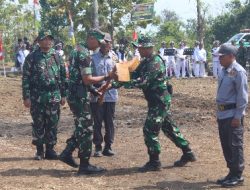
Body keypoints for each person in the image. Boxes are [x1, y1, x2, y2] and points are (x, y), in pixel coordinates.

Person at [112, 35, 196, 172]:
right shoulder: (146, 61)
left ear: (148, 48)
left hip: (159, 101)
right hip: (157, 101)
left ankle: (154, 162)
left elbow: (143, 81)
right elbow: (133, 75)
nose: (138, 49)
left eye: (140, 47)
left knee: (149, 130)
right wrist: (115, 82)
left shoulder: (155, 62)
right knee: (169, 128)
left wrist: (123, 82)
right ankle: (188, 152)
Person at [59, 29, 116, 175]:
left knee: (81, 125)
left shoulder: (76, 50)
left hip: (75, 94)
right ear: (91, 38)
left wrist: (92, 90)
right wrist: (106, 76)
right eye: (98, 42)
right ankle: (84, 165)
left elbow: (79, 77)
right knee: (87, 128)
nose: (98, 46)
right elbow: (87, 79)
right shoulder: (84, 54)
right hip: (79, 96)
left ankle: (67, 152)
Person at [22, 30, 66, 160]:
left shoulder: (57, 56)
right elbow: (26, 78)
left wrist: (63, 95)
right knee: (38, 122)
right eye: (44, 39)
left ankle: (50, 149)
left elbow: (64, 76)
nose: (47, 41)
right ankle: (39, 150)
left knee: (52, 122)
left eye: (49, 39)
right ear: (39, 41)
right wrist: (26, 96)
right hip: (37, 96)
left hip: (54, 95)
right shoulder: (32, 57)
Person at [216, 44, 248, 187]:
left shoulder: (239, 71)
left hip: (232, 115)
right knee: (226, 145)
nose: (219, 59)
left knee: (235, 145)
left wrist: (238, 116)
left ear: (231, 56)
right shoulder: (224, 71)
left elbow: (242, 96)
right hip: (222, 114)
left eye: (222, 56)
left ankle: (237, 175)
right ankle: (231, 172)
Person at [90, 33, 118, 157]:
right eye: (104, 42)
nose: (107, 44)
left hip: (111, 95)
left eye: (109, 42)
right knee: (97, 121)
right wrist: (96, 90)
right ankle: (97, 146)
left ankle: (108, 146)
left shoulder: (114, 57)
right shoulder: (92, 58)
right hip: (97, 94)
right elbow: (89, 78)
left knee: (109, 122)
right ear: (100, 43)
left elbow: (118, 76)